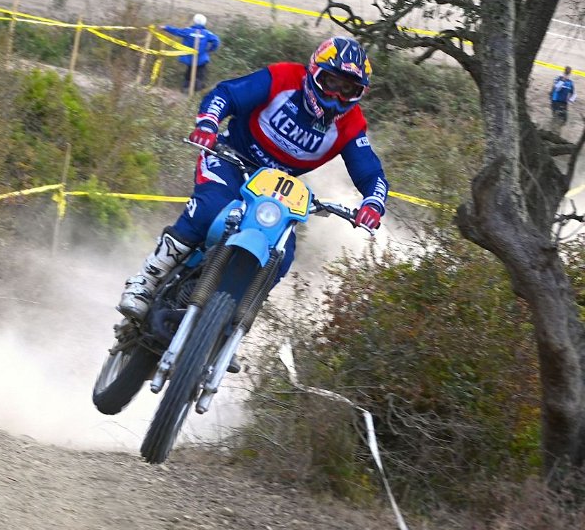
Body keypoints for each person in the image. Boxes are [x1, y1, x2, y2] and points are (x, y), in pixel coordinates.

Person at [117, 35, 389, 322]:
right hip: (230, 157)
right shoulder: (283, 78)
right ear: (314, 73)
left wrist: (373, 203)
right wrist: (208, 124)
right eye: (331, 82)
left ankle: (231, 324)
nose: (336, 96)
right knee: (210, 209)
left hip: (275, 185)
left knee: (282, 255)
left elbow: (371, 172)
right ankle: (145, 281)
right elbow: (227, 94)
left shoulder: (351, 124)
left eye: (348, 89)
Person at [162, 13, 220, 92]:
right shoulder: (207, 33)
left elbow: (176, 31)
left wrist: (166, 28)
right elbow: (216, 41)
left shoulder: (188, 31)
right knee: (200, 76)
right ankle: (196, 93)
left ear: (194, 21)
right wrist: (210, 50)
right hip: (202, 59)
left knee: (189, 75)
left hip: (189, 59)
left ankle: (185, 90)